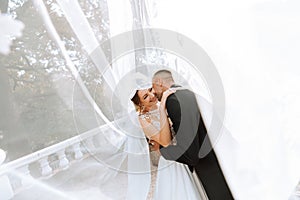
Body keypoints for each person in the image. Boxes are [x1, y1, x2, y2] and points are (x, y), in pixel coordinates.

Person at [151, 69, 234, 200]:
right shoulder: (189, 92)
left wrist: (163, 151)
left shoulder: (173, 101)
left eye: (153, 87)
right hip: (219, 159)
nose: (154, 93)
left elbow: (190, 154)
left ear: (159, 82)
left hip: (208, 167)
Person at [130, 86, 204, 199]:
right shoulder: (144, 119)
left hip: (184, 154)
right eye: (145, 97)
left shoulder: (162, 104)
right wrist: (163, 107)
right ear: (140, 104)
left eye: (150, 90)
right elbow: (166, 142)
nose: (151, 95)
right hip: (171, 161)